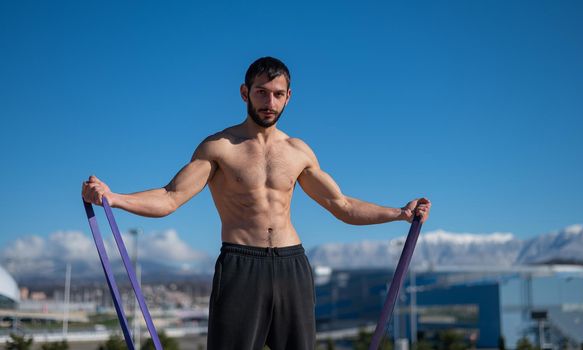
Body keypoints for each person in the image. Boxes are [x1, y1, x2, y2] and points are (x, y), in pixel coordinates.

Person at [82, 56, 431, 350]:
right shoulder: (219, 147)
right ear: (245, 93)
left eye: (278, 94)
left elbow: (341, 205)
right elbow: (171, 197)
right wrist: (114, 198)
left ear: (289, 97)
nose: (270, 102)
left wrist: (399, 214)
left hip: (292, 265)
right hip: (240, 265)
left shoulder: (299, 151)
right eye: (261, 93)